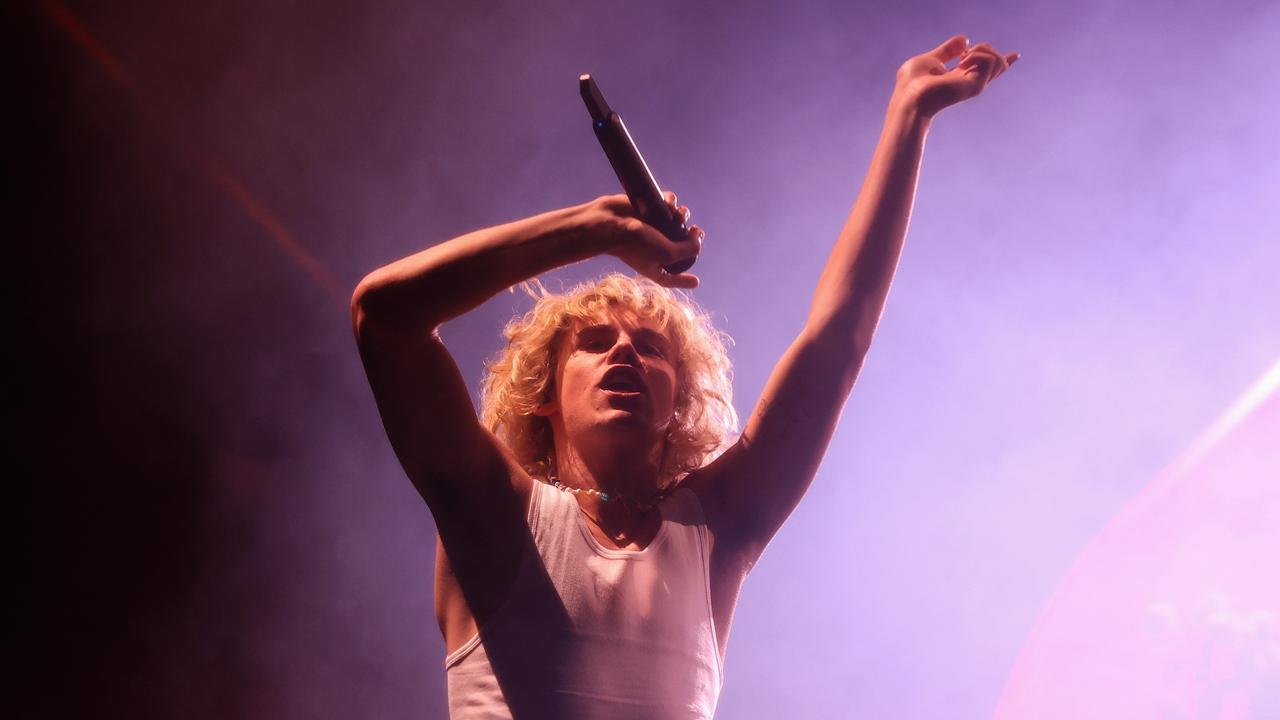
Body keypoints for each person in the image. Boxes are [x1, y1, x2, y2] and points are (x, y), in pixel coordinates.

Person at [351, 35, 1017, 719]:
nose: (624, 354)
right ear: (544, 395)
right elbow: (385, 316)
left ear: (679, 403)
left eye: (651, 348)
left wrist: (909, 116)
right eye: (594, 342)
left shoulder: (715, 531)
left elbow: (838, 341)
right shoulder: (494, 515)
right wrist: (593, 226)